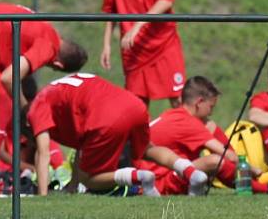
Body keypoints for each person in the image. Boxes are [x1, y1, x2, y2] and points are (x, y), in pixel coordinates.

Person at [0, 3, 87, 195]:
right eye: (53, 68)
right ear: (57, 63)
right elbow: (9, 77)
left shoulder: (48, 30)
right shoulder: (49, 45)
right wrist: (26, 109)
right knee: (2, 105)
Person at [25, 73, 207, 196]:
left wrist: (43, 195)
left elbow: (43, 153)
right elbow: (81, 145)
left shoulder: (36, 107)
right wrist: (72, 186)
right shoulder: (59, 89)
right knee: (148, 149)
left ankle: (140, 177)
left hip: (105, 117)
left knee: (89, 179)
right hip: (133, 105)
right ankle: (191, 172)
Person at [137, 76, 243, 194]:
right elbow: (229, 156)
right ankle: (257, 187)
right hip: (156, 184)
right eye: (210, 107)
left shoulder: (173, 114)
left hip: (143, 178)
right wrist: (252, 170)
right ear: (199, 103)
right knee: (214, 161)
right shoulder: (189, 123)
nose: (211, 112)